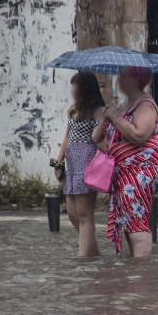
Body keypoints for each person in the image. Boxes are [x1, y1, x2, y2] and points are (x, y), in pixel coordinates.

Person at [93, 66, 158, 257]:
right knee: (128, 222)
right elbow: (96, 138)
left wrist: (115, 117)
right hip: (122, 173)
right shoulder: (124, 105)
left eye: (124, 76)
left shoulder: (145, 105)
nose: (119, 80)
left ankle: (141, 273)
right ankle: (134, 269)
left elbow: (139, 134)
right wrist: (107, 116)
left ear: (137, 79)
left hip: (139, 172)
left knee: (137, 221)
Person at [52, 71, 105, 257]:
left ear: (84, 88)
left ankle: (83, 258)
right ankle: (94, 253)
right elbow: (67, 137)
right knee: (73, 214)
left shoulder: (97, 111)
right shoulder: (74, 110)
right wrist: (59, 162)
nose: (71, 89)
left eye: (74, 85)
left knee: (85, 214)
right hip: (72, 163)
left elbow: (103, 138)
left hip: (87, 161)